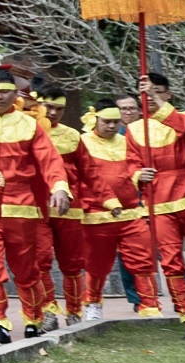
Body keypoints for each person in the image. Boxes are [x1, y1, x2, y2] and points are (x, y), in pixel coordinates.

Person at [0, 70, 71, 343]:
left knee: (26, 269)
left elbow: (50, 160)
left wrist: (59, 187)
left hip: (21, 208)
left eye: (4, 91)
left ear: (16, 94)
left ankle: (33, 320)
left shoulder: (29, 124)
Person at [134, 74, 185, 338]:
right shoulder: (136, 130)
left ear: (168, 94)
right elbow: (130, 163)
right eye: (145, 94)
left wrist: (157, 101)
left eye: (156, 92)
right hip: (158, 197)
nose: (149, 98)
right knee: (171, 262)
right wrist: (138, 175)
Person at [72, 105, 170, 320]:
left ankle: (150, 305)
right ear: (94, 119)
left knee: (144, 259)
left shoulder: (129, 142)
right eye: (106, 121)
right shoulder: (82, 142)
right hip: (95, 216)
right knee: (97, 265)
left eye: (115, 122)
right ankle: (93, 302)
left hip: (130, 213)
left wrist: (140, 176)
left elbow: (134, 169)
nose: (111, 125)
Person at [37, 93, 98, 321]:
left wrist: (96, 203)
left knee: (73, 264)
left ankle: (74, 311)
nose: (53, 113)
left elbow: (88, 172)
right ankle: (48, 309)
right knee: (40, 260)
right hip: (36, 208)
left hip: (70, 208)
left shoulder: (73, 135)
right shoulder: (27, 130)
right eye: (48, 107)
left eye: (58, 109)